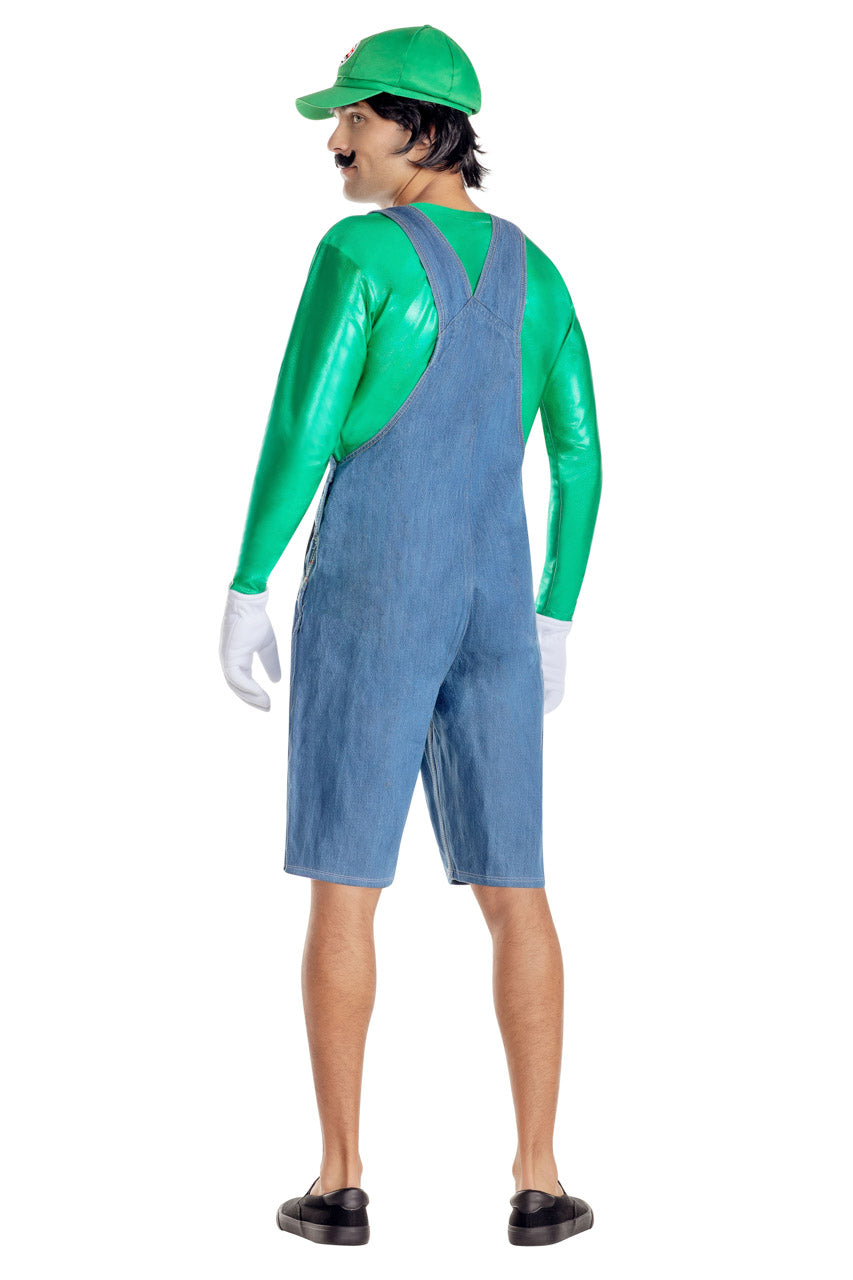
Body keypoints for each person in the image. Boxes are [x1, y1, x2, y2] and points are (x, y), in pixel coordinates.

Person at [219, 24, 602, 1248]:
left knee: (347, 885)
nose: (334, 140)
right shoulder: (540, 276)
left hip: (375, 595)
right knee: (516, 887)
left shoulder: (359, 253)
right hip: (495, 609)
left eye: (354, 118)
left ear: (422, 128)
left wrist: (247, 581)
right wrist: (554, 609)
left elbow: (302, 427)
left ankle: (339, 1180)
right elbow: (581, 458)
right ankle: (539, 1178)